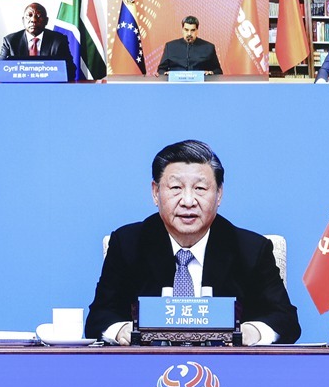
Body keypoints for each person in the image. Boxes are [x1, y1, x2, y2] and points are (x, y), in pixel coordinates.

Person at [85, 140, 300, 346]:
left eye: (200, 189)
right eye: (176, 188)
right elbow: (99, 317)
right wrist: (121, 330)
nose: (188, 201)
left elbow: (286, 320)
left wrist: (253, 331)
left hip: (225, 368)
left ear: (219, 195)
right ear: (155, 193)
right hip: (149, 367)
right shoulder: (127, 244)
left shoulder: (251, 249)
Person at [0, 3, 76, 81]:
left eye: (39, 16)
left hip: (48, 86)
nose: (33, 20)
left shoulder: (59, 40)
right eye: (29, 15)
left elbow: (70, 71)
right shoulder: (10, 41)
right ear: (23, 20)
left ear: (46, 21)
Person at [155, 16, 223, 76]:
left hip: (200, 84)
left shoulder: (208, 47)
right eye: (186, 30)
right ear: (182, 29)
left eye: (192, 30)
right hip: (176, 84)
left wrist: (211, 73)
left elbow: (218, 71)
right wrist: (166, 74)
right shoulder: (170, 47)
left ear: (197, 30)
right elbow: (161, 70)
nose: (189, 34)